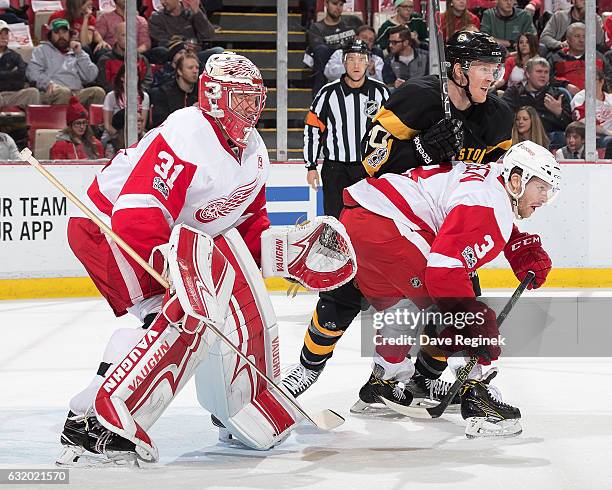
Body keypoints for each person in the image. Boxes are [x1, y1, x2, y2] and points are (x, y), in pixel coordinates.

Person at [283, 31, 552, 406]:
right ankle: (308, 368)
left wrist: (514, 239)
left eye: (496, 68)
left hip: (444, 226)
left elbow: (490, 192)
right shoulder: (418, 97)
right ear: (458, 69)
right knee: (345, 291)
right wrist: (420, 149)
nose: (493, 77)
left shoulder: (497, 117)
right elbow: (369, 163)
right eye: (484, 68)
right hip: (391, 212)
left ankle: (418, 379)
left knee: (454, 297)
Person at [56, 52, 299, 465]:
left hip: (161, 235)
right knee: (172, 323)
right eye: (240, 98)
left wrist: (283, 256)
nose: (251, 108)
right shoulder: (189, 132)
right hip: (108, 225)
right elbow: (138, 211)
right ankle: (100, 422)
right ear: (214, 95)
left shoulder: (254, 149)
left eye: (254, 98)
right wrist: (177, 279)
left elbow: (248, 220)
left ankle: (86, 414)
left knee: (192, 322)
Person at [321, 141, 560, 437]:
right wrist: (476, 327)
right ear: (517, 180)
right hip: (388, 226)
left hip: (362, 220)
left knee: (403, 309)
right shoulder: (489, 204)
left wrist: (518, 249)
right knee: (448, 305)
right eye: (541, 188)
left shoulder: (494, 177)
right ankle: (477, 397)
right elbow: (445, 273)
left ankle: (383, 380)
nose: (545, 198)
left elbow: (476, 211)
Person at [304, 40, 389, 218]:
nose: (356, 64)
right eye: (351, 59)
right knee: (335, 219)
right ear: (343, 62)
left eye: (361, 59)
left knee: (370, 220)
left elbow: (392, 130)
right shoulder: (327, 93)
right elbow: (312, 129)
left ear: (368, 62)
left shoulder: (381, 92)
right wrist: (311, 166)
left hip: (370, 167)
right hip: (335, 169)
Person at [26, 18, 105, 106]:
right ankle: (61, 119)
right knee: (63, 92)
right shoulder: (41, 50)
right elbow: (32, 72)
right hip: (53, 93)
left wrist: (80, 54)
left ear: (69, 34)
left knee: (98, 92)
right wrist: (47, 83)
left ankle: (84, 119)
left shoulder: (77, 51)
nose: (61, 36)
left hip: (76, 93)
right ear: (50, 35)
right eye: (56, 32)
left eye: (64, 32)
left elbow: (90, 76)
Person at [502, 56, 572, 148]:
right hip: (519, 140)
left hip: (550, 142)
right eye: (539, 72)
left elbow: (570, 127)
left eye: (546, 72)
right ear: (527, 74)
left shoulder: (558, 94)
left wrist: (559, 113)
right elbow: (504, 118)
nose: (543, 75)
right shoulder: (514, 93)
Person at [306, 0, 363, 96]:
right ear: (326, 4)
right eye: (335, 4)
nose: (338, 7)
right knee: (321, 50)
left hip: (352, 58)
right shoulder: (316, 28)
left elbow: (367, 36)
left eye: (341, 4)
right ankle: (320, 95)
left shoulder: (353, 22)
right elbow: (318, 49)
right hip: (330, 64)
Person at [148, 0, 221, 66]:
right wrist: (183, 46)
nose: (162, 2)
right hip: (171, 57)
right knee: (162, 51)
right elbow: (162, 41)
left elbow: (209, 35)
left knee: (218, 51)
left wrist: (197, 12)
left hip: (194, 55)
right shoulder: (156, 17)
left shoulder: (192, 13)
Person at [102, 65, 150, 156]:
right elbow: (107, 125)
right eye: (129, 75)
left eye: (135, 76)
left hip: (137, 133)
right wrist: (121, 137)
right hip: (115, 132)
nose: (133, 78)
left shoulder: (144, 96)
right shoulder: (111, 96)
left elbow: (142, 124)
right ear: (122, 78)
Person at [547, 23, 606, 93]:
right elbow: (547, 78)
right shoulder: (556, 58)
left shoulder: (599, 57)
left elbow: (608, 78)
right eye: (577, 36)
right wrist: (565, 85)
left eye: (584, 36)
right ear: (568, 39)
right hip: (565, 98)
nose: (581, 40)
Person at [96, 22, 153, 92]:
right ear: (116, 38)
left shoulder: (142, 60)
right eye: (124, 35)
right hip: (113, 97)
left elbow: (147, 81)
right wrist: (122, 93)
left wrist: (137, 92)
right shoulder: (105, 60)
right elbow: (104, 84)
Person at [150, 52, 199, 127]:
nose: (195, 71)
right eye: (190, 68)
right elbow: (160, 123)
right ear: (179, 71)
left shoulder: (201, 93)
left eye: (197, 68)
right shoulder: (164, 92)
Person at [0, 20, 41, 109]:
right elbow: (16, 75)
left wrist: (4, 76)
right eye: (0, 34)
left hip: (12, 94)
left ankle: (32, 122)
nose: (3, 37)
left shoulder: (15, 56)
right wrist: (11, 74)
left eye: (6, 34)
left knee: (33, 92)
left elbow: (21, 76)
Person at [540, 0, 604, 54]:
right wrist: (560, 44)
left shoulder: (595, 18)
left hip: (585, 56)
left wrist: (591, 15)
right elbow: (544, 37)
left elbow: (599, 42)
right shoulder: (559, 16)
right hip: (562, 55)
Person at [571, 69, 612, 150]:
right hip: (591, 139)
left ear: (601, 81)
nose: (588, 83)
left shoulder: (610, 98)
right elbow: (586, 124)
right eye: (586, 80)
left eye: (592, 80)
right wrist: (609, 133)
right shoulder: (580, 98)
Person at [382, 26, 428, 90]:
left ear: (406, 42)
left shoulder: (426, 57)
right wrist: (394, 85)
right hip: (400, 96)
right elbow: (387, 84)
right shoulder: (389, 60)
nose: (390, 45)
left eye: (394, 42)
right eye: (390, 42)